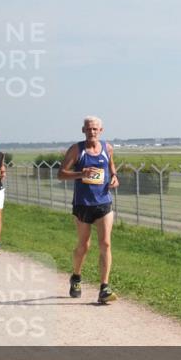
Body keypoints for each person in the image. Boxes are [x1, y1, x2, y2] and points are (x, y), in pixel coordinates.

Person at [58, 116, 120, 304]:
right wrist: (80, 174)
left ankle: (104, 288)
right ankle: (76, 277)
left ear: (101, 130)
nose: (92, 132)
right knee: (84, 246)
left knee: (106, 244)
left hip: (103, 203)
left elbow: (110, 165)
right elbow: (61, 174)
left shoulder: (107, 148)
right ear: (83, 130)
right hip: (83, 204)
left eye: (95, 129)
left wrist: (114, 177)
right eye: (88, 129)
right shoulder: (77, 150)